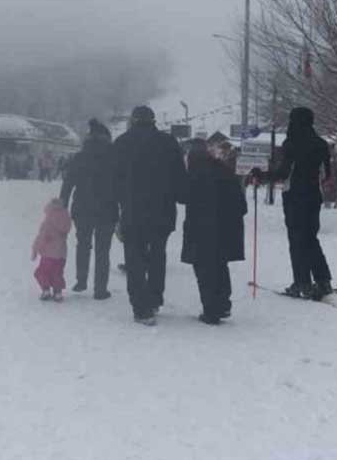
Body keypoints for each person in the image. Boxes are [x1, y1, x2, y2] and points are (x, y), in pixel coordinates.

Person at [251, 106, 334, 300]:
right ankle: (323, 281)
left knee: (297, 240)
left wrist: (261, 175)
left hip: (295, 196)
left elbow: (283, 173)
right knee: (311, 238)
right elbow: (327, 174)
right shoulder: (321, 144)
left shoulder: (292, 143)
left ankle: (302, 283)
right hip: (314, 196)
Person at [113, 105, 186, 326]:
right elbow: (180, 178)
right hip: (162, 211)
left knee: (134, 258)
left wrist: (116, 206)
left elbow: (113, 180)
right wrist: (182, 196)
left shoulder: (122, 143)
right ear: (153, 120)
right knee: (157, 255)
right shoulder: (168, 142)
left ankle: (141, 308)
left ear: (133, 121)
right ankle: (154, 298)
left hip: (132, 212)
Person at [179, 140, 247, 325]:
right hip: (226, 230)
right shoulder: (225, 171)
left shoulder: (193, 175)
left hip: (201, 230)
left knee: (203, 269)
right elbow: (242, 206)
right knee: (220, 265)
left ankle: (211, 310)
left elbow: (182, 197)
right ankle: (223, 304)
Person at [59, 118, 117, 300]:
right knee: (103, 249)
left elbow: (68, 184)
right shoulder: (113, 158)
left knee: (83, 244)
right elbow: (121, 186)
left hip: (82, 209)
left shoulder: (79, 157)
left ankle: (81, 281)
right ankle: (100, 289)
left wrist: (62, 206)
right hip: (107, 210)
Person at [30, 197, 72, 301]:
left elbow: (41, 237)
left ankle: (46, 290)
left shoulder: (48, 221)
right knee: (57, 273)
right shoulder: (65, 218)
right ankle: (57, 292)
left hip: (48, 255)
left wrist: (35, 250)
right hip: (61, 254)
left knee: (42, 272)